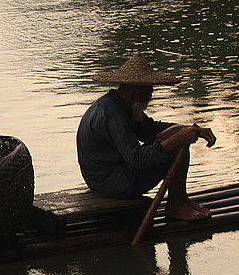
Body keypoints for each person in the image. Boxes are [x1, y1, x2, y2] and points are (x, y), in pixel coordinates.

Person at [76, 53, 216, 221]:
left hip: (112, 174)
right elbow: (137, 159)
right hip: (110, 183)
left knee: (178, 133)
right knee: (177, 145)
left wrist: (192, 130)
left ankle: (181, 199)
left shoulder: (121, 105)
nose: (151, 91)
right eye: (149, 86)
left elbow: (150, 129)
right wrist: (178, 139)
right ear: (136, 88)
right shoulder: (113, 114)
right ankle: (175, 206)